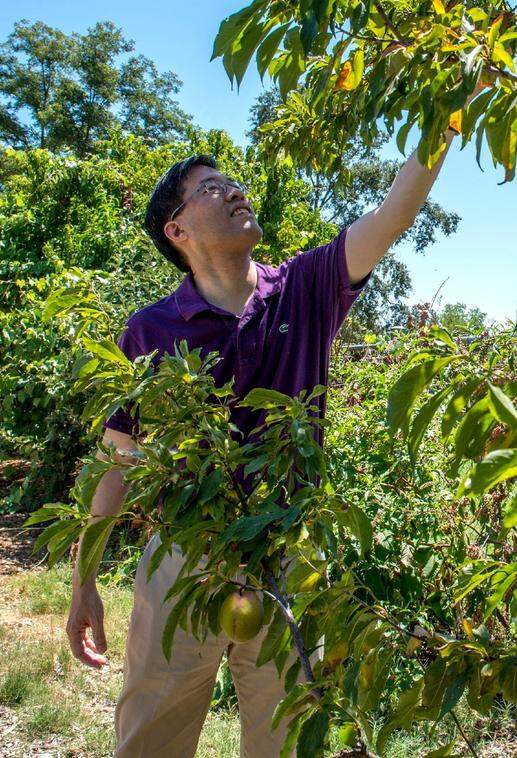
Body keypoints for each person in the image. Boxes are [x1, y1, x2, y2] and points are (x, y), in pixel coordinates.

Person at [64, 120, 466, 757]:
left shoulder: (305, 288)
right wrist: (85, 577)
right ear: (178, 230)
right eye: (212, 188)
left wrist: (453, 110)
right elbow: (118, 458)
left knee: (285, 740)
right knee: (151, 733)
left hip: (287, 553)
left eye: (234, 182)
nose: (234, 191)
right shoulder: (152, 330)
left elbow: (394, 212)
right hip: (184, 555)